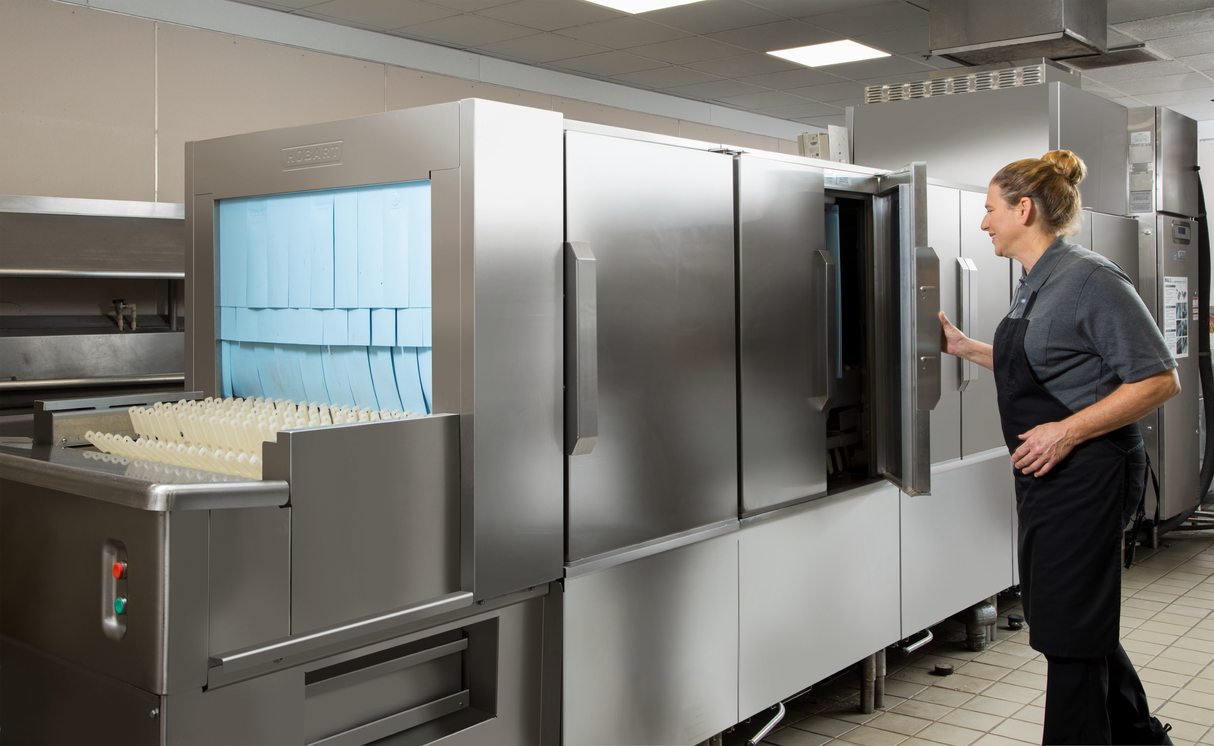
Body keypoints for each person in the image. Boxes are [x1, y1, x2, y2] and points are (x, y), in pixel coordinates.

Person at [939, 150, 1179, 745]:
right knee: (1068, 613)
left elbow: (1159, 379)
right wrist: (965, 347)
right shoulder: (1036, 281)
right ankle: (1141, 737)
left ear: (1024, 209)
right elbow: (1047, 363)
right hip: (1049, 475)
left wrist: (1065, 431)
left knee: (1070, 623)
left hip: (1091, 470)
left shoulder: (1091, 279)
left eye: (991, 209)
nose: (984, 222)